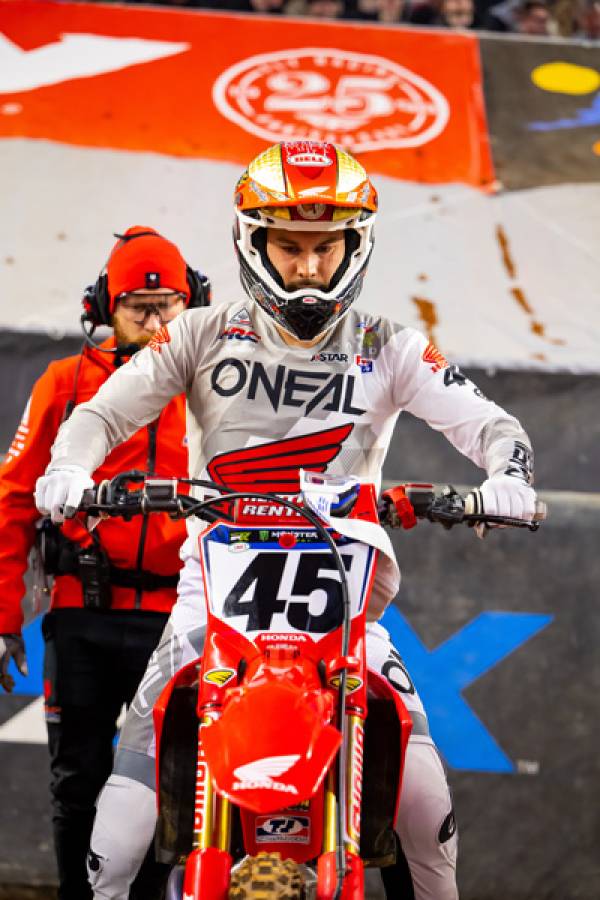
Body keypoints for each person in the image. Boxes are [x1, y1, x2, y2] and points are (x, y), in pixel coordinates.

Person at [35, 141, 537, 900]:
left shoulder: (388, 343)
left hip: (347, 614)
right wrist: (70, 470)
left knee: (425, 805)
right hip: (209, 610)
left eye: (324, 247)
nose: (307, 266)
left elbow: (493, 425)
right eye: (290, 246)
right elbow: (101, 414)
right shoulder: (199, 332)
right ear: (253, 241)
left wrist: (510, 477)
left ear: (354, 246)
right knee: (119, 834)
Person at [0, 225, 210, 900]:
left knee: (169, 786)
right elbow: (12, 500)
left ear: (192, 302)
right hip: (82, 616)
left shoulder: (215, 388)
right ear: (104, 306)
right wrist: (4, 618)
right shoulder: (64, 384)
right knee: (78, 783)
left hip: (178, 622)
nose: (153, 322)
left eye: (167, 306)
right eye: (136, 308)